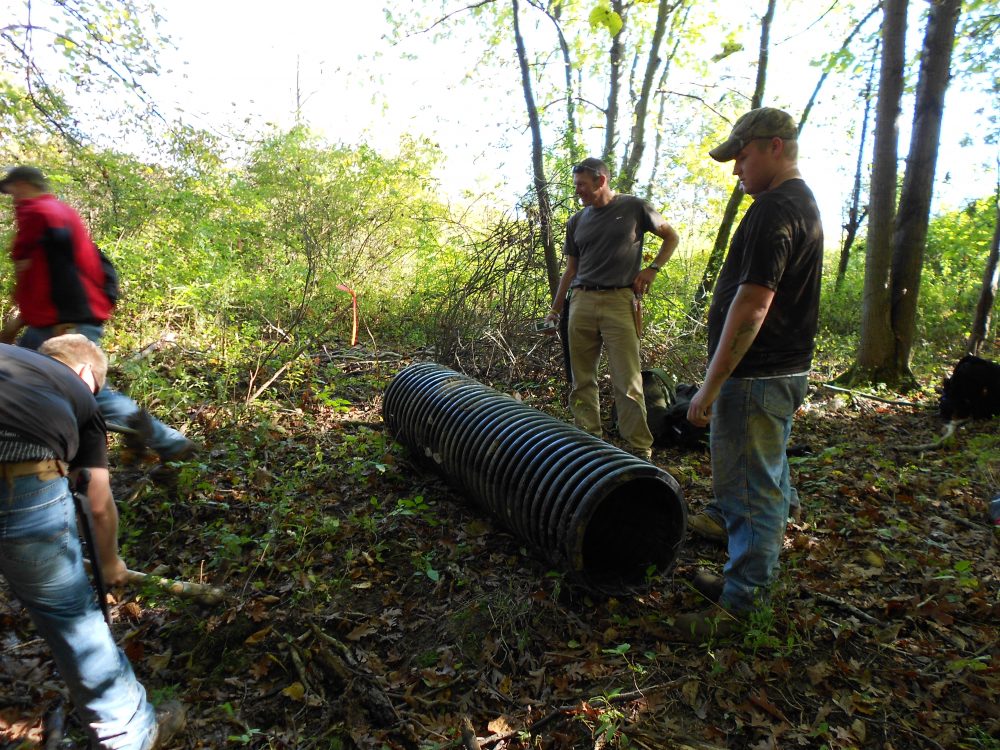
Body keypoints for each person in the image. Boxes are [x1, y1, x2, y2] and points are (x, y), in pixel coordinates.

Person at [676, 108, 823, 639]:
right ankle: (746, 581)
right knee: (766, 479)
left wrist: (711, 386)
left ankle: (741, 606)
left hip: (757, 379)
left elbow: (754, 305)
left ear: (775, 147)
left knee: (746, 491)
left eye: (743, 155)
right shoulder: (800, 204)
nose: (736, 167)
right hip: (781, 374)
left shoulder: (775, 208)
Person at [0, 334, 185, 748]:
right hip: (20, 482)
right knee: (71, 618)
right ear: (85, 374)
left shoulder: (10, 355)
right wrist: (110, 563)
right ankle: (131, 734)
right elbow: (98, 503)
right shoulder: (80, 397)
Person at [0, 165, 196, 461]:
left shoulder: (37, 213)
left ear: (25, 184)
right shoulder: (62, 213)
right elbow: (49, 277)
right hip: (66, 319)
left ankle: (165, 441)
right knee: (44, 383)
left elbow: (31, 275)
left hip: (61, 324)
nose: (11, 197)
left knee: (76, 388)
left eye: (12, 189)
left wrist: (26, 325)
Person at [545, 158, 679, 460]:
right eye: (576, 184)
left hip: (620, 300)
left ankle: (640, 450)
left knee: (627, 379)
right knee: (581, 379)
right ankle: (588, 441)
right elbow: (570, 269)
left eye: (582, 185)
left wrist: (653, 269)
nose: (578, 191)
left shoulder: (634, 207)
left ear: (601, 180)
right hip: (581, 301)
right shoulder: (577, 221)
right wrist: (556, 309)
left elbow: (671, 236)